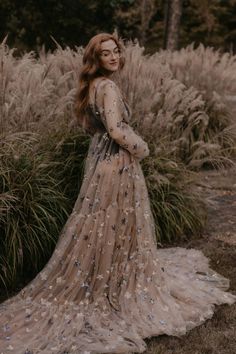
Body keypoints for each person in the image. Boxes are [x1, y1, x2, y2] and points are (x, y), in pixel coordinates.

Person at [0, 32, 235, 354]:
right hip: (117, 163)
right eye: (106, 53)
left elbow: (91, 128)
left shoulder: (90, 87)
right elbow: (114, 129)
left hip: (99, 162)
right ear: (95, 59)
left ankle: (106, 274)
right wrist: (141, 147)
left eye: (115, 52)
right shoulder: (108, 87)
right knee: (117, 222)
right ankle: (115, 282)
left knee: (103, 224)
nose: (113, 57)